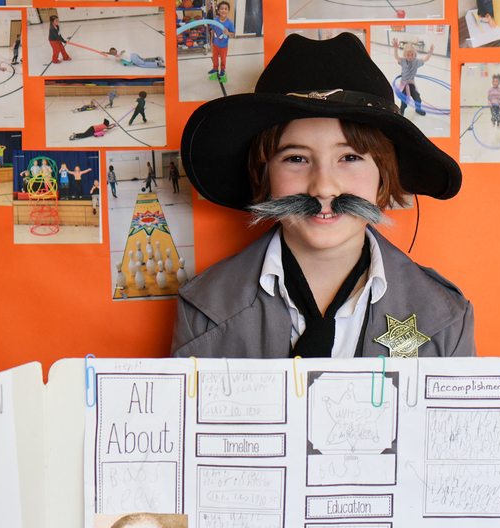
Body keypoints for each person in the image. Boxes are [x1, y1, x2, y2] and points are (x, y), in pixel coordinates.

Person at [173, 33, 474, 358]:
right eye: (296, 159)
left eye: (349, 158)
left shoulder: (445, 318)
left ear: (384, 175)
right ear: (264, 174)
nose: (324, 187)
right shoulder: (204, 308)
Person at [392, 39, 433, 117]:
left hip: (411, 83)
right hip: (404, 84)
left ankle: (418, 109)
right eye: (408, 55)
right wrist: (395, 48)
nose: (410, 56)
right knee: (404, 100)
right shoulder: (403, 61)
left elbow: (425, 59)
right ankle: (401, 111)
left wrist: (430, 53)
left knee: (417, 97)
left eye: (412, 54)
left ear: (415, 54)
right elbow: (396, 57)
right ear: (405, 54)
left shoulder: (416, 62)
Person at [208, 0, 235, 83]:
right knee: (214, 58)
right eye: (222, 9)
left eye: (226, 9)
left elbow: (233, 34)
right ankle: (215, 68)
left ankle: (222, 70)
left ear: (228, 11)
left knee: (223, 60)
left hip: (224, 46)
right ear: (218, 11)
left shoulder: (229, 23)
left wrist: (227, 33)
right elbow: (212, 31)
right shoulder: (215, 21)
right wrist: (211, 42)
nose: (224, 10)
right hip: (215, 45)